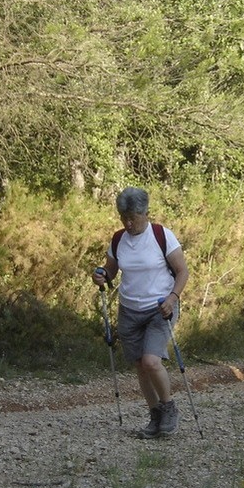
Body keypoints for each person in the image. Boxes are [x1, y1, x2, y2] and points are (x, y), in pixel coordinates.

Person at [93, 187, 190, 438]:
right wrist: (102, 275)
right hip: (129, 310)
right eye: (123, 217)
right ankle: (155, 415)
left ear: (145, 213)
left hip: (160, 308)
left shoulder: (161, 236)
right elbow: (111, 270)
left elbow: (182, 271)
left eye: (132, 218)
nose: (128, 223)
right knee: (139, 365)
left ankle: (169, 407)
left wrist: (173, 297)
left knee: (151, 361)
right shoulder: (118, 240)